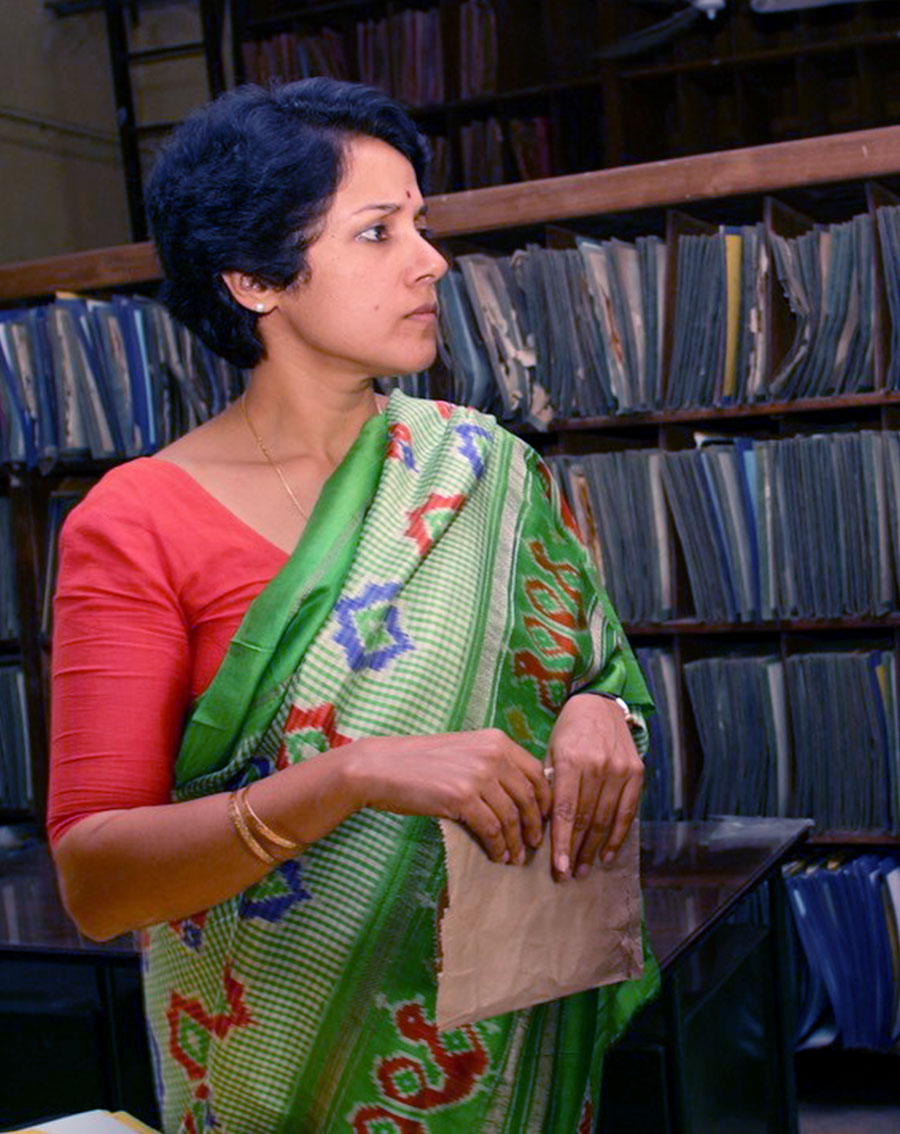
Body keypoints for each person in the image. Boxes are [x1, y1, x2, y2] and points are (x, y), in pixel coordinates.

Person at [48, 79, 656, 1132]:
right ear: (253, 279)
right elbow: (98, 883)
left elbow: (594, 671)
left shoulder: (483, 468)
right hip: (274, 1070)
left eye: (422, 223)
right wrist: (351, 776)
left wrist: (597, 712)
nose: (429, 260)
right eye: (377, 233)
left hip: (503, 1044)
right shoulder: (137, 522)